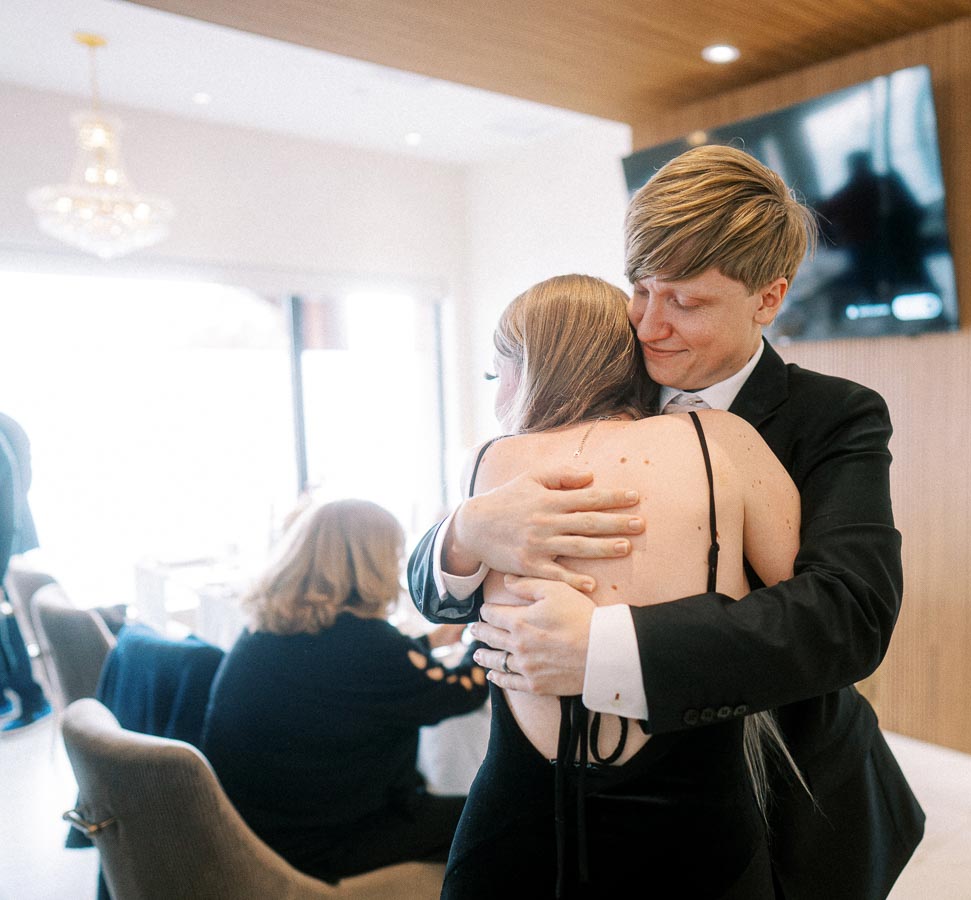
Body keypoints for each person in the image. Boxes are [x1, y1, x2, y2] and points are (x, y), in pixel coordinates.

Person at [410, 145, 925, 899]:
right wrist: (464, 536)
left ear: (768, 298)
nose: (648, 326)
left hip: (774, 799)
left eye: (684, 302)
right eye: (639, 290)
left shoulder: (834, 416)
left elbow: (848, 617)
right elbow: (439, 592)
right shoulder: (597, 384)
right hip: (555, 806)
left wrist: (600, 650)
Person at [441, 273, 801, 898]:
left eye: (498, 375)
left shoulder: (491, 463)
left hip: (515, 823)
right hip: (693, 824)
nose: (499, 398)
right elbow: (808, 609)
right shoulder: (724, 442)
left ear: (532, 367)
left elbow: (443, 601)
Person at [200, 498, 488, 883]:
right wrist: (488, 633)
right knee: (499, 819)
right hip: (324, 843)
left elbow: (354, 674)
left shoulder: (267, 626)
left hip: (255, 830)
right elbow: (463, 691)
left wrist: (432, 641)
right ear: (371, 563)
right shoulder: (368, 645)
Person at [0, 412, 52, 733]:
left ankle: (32, 699)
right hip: (7, 537)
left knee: (5, 624)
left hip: (5, 540)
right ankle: (6, 694)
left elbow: (6, 506)